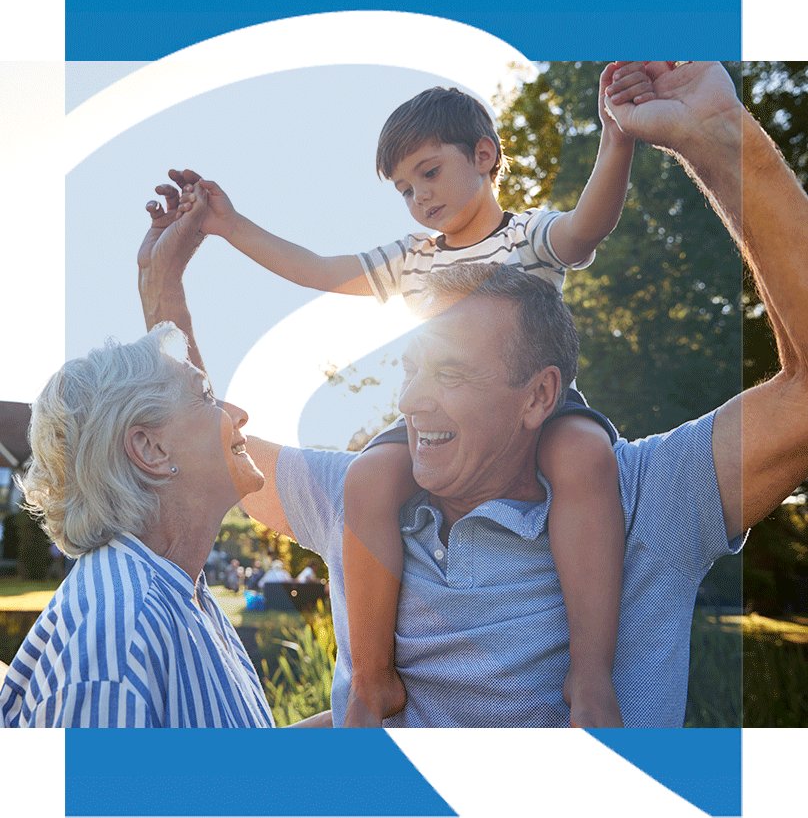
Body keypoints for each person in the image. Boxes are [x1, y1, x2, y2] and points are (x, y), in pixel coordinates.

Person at [139, 61, 808, 727]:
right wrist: (179, 273)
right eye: (411, 366)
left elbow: (586, 226)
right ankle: (374, 681)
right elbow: (209, 445)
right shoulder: (411, 276)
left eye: (451, 371)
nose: (411, 401)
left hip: (567, 437)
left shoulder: (645, 497)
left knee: (583, 456)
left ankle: (590, 673)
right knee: (371, 473)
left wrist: (704, 135)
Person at [0, 323, 330, 727]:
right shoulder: (120, 642)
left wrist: (352, 721)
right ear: (150, 449)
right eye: (206, 395)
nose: (239, 415)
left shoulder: (179, 590)